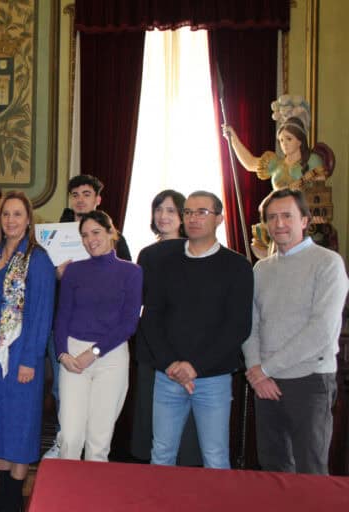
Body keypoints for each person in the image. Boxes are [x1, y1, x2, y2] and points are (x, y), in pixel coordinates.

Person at [242, 189, 348, 474]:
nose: (279, 224)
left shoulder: (328, 263)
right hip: (265, 382)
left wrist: (266, 368)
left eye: (287, 216)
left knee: (310, 469)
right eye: (272, 218)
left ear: (305, 220)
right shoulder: (261, 269)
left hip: (310, 381)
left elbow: (322, 331)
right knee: (273, 466)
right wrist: (255, 370)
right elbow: (250, 325)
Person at [144, 191, 253, 469]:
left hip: (213, 378)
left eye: (202, 212)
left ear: (219, 218)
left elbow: (237, 327)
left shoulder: (237, 265)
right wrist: (171, 364)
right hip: (168, 375)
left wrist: (194, 367)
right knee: (161, 453)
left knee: (215, 457)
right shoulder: (164, 263)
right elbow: (152, 318)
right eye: (189, 212)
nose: (193, 218)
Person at [0, 191, 56, 512]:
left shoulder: (39, 259)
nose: (11, 220)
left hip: (20, 358)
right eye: (6, 214)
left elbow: (41, 314)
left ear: (29, 219)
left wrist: (30, 360)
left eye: (17, 214)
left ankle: (13, 500)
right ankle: (1, 494)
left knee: (19, 426)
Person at [44, 174, 133, 459]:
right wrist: (62, 354)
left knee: (98, 443)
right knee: (70, 439)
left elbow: (128, 322)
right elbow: (62, 316)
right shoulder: (73, 271)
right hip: (72, 354)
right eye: (85, 235)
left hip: (111, 356)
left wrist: (93, 352)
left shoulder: (132, 271)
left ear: (111, 232)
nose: (90, 239)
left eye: (96, 233)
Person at [130, 190, 202, 466]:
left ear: (183, 216)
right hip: (151, 343)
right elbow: (140, 299)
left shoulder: (195, 250)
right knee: (150, 413)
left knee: (186, 420)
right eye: (159, 209)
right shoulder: (147, 253)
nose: (163, 216)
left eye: (171, 210)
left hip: (187, 345)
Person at [224, 117, 326, 258]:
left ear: (300, 140)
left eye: (289, 139)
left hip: (303, 216)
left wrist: (317, 212)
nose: (284, 144)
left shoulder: (312, 160)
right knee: (262, 235)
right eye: (281, 140)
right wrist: (233, 138)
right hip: (277, 215)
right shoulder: (276, 164)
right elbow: (250, 163)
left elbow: (320, 190)